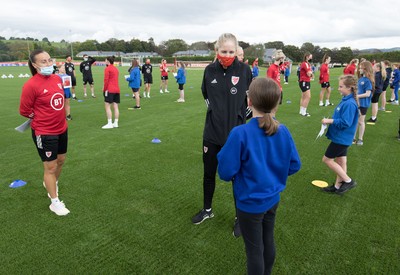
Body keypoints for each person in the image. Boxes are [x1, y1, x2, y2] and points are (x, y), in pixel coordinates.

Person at [217, 77, 301, 275]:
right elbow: (294, 165)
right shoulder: (282, 130)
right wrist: (273, 174)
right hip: (272, 199)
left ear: (249, 101)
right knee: (267, 240)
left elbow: (225, 172)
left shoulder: (240, 133)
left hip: (249, 203)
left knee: (255, 250)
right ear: (276, 103)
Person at [191, 33, 252, 239]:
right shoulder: (209, 71)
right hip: (212, 134)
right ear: (217, 51)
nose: (227, 55)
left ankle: (239, 218)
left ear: (237, 52)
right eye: (223, 51)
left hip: (236, 136)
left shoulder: (245, 71)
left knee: (238, 178)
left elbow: (250, 100)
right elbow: (206, 95)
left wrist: (240, 118)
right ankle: (207, 210)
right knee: (209, 174)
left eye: (231, 52)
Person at [19, 49, 70, 216]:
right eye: (44, 61)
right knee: (50, 166)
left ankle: (52, 183)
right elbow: (24, 110)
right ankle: (54, 202)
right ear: (34, 65)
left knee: (61, 160)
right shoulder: (31, 85)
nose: (49, 64)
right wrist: (41, 116)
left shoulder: (57, 79)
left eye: (49, 60)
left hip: (61, 128)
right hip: (44, 131)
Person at [321, 75, 359, 195]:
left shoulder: (349, 104)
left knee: (327, 160)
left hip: (341, 138)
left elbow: (345, 123)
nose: (338, 89)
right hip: (342, 137)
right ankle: (338, 187)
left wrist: (330, 121)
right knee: (341, 161)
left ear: (350, 88)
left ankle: (348, 181)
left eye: (341, 86)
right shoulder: (346, 100)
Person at [354, 61, 374, 145]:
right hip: (357, 103)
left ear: (365, 69)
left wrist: (357, 96)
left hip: (363, 104)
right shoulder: (361, 79)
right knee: (355, 121)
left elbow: (368, 94)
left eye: (361, 68)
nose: (359, 69)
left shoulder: (368, 81)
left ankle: (360, 139)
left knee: (361, 121)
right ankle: (353, 137)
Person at [102, 56, 120, 129]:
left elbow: (106, 80)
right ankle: (116, 123)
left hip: (110, 89)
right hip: (117, 89)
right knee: (116, 106)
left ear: (108, 61)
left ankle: (109, 123)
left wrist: (104, 89)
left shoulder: (107, 69)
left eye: (105, 60)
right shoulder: (116, 69)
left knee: (107, 106)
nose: (105, 61)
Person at [298, 52, 313, 116]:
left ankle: (301, 110)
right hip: (304, 81)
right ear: (307, 56)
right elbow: (309, 73)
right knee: (308, 97)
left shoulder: (307, 64)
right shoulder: (305, 64)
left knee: (304, 96)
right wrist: (311, 74)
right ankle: (304, 111)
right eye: (310, 56)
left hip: (305, 81)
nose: (311, 57)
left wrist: (311, 73)